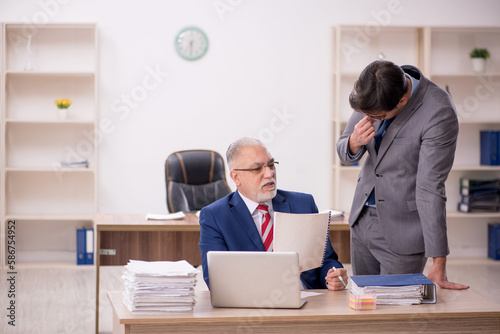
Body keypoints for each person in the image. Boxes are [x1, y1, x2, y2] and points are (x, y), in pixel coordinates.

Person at [336, 59, 469, 290]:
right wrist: (354, 142)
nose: (367, 118)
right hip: (361, 222)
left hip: (403, 231)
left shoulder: (438, 112)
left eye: (376, 117)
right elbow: (343, 151)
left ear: (402, 101)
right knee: (363, 308)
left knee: (394, 315)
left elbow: (430, 187)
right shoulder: (373, 91)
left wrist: (439, 261)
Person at [199, 137, 348, 291]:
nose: (269, 174)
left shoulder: (303, 204)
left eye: (271, 165)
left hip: (307, 298)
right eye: (257, 169)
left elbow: (326, 258)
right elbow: (215, 277)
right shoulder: (215, 216)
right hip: (251, 302)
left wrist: (332, 275)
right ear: (236, 177)